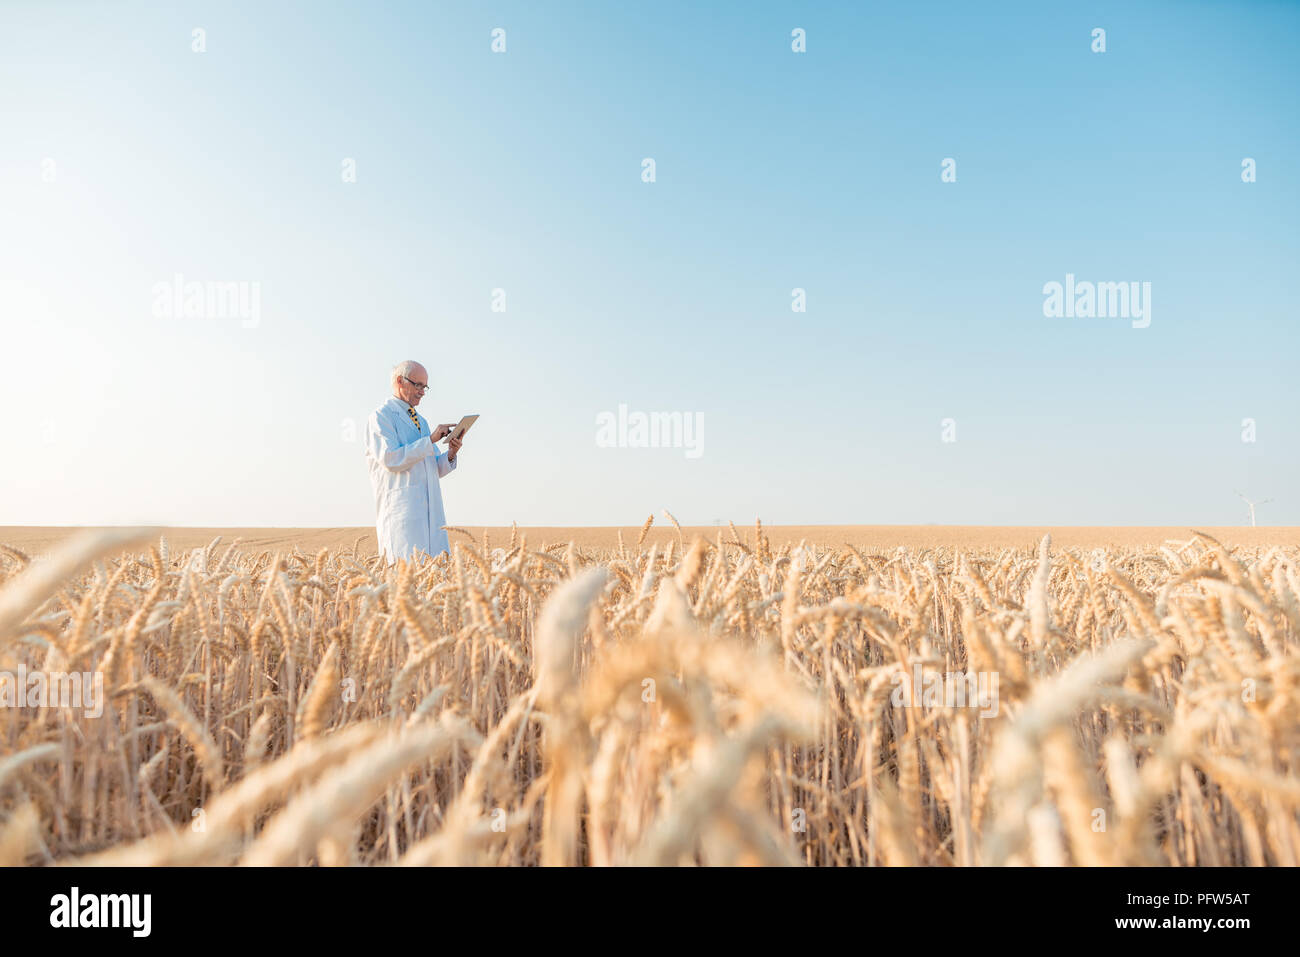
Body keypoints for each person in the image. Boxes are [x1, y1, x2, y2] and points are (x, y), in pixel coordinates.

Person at [364, 360, 464, 563]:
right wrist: (430, 440)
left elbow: (433, 467)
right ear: (400, 381)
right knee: (405, 577)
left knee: (435, 576)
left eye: (425, 386)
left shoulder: (421, 421)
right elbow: (390, 459)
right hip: (402, 513)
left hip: (430, 514)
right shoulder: (381, 417)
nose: (422, 392)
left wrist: (451, 453)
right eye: (418, 385)